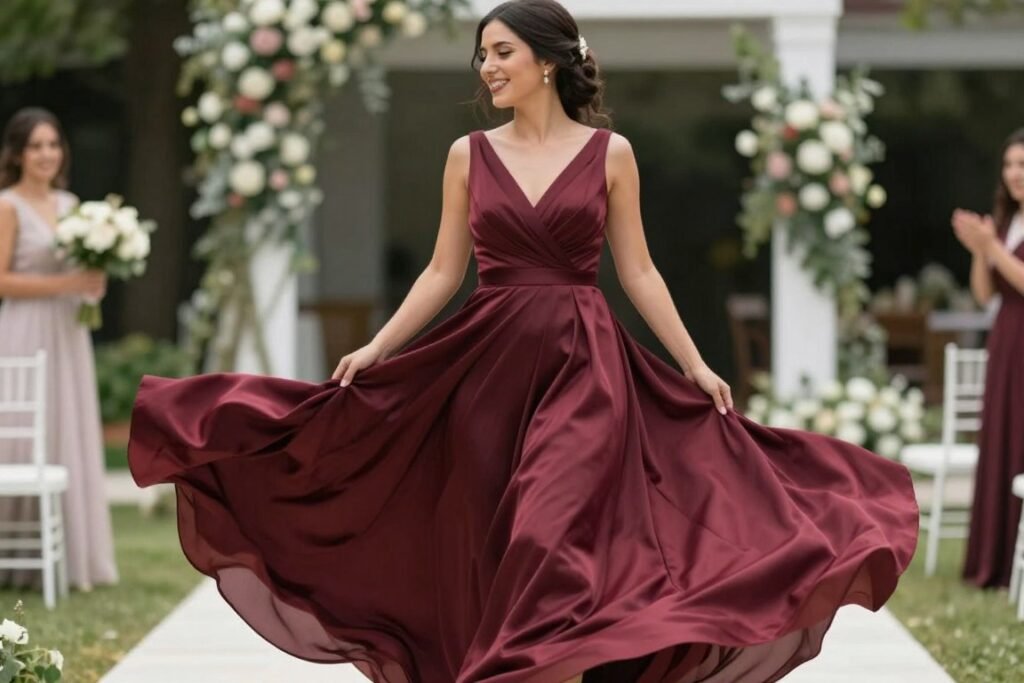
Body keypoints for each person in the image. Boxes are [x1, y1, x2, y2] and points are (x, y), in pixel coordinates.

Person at [127, 1, 918, 681]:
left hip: (586, 367)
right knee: (495, 555)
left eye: (502, 52)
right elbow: (443, 272)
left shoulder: (612, 155)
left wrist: (693, 361)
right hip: (486, 371)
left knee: (549, 537)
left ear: (547, 60)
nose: (487, 67)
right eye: (482, 54)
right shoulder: (466, 157)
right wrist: (379, 347)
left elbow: (638, 273)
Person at [0, 106, 119, 591]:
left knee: (68, 427)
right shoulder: (7, 206)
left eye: (53, 144)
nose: (47, 154)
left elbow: (84, 272)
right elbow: (2, 280)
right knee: (21, 437)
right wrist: (67, 281)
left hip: (70, 332)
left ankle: (74, 556)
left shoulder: (72, 205)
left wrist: (92, 285)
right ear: (18, 154)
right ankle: (13, 557)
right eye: (36, 146)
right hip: (26, 330)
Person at [956, 128, 1024, 589]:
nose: (1015, 174)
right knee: (1000, 437)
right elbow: (983, 295)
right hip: (1005, 341)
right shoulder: (1007, 222)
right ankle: (993, 559)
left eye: (1023, 164)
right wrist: (981, 251)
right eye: (1009, 165)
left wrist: (992, 248)